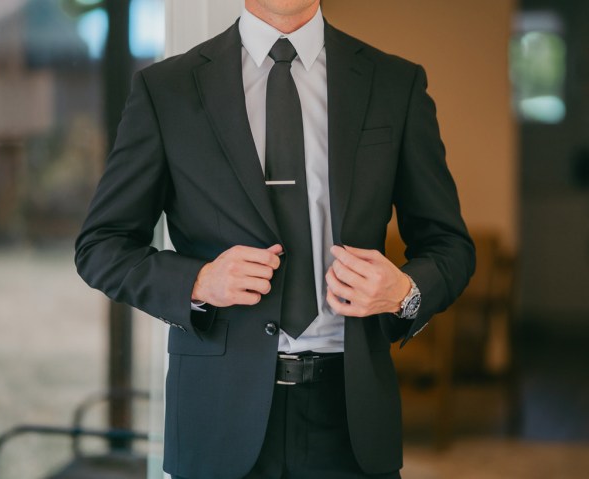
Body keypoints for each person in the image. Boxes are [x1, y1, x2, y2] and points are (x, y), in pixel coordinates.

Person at [75, 0, 475, 477]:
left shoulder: (395, 83)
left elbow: (450, 246)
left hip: (353, 420)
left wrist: (404, 294)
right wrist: (198, 282)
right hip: (217, 419)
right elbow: (101, 246)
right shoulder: (166, 89)